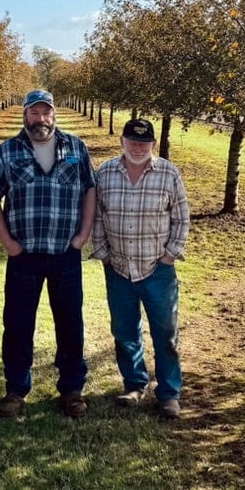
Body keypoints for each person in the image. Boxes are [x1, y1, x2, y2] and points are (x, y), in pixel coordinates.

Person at [0, 89, 96, 418]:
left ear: (54, 115)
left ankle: (72, 389)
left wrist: (83, 234)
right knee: (17, 324)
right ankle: (16, 389)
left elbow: (90, 188)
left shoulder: (75, 148)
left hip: (65, 254)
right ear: (25, 115)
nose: (40, 119)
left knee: (70, 322)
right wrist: (8, 242)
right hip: (24, 256)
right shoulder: (8, 152)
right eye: (34, 113)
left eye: (46, 113)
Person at [92, 118, 190, 419]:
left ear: (153, 145)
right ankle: (134, 384)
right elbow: (96, 215)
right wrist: (104, 254)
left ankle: (169, 393)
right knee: (124, 331)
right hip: (119, 267)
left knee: (166, 333)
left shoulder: (168, 174)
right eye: (132, 142)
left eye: (144, 143)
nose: (137, 148)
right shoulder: (106, 172)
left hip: (156, 269)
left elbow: (182, 218)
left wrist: (170, 255)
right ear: (122, 142)